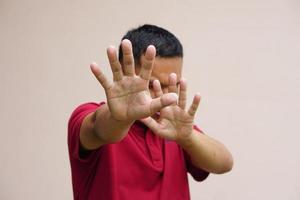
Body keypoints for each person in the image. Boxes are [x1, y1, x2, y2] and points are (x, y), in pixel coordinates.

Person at [68, 24, 233, 200]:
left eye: (171, 85)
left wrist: (187, 137)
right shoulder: (90, 115)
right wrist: (120, 118)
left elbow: (225, 163)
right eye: (152, 85)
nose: (165, 95)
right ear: (125, 75)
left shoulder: (173, 127)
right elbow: (99, 129)